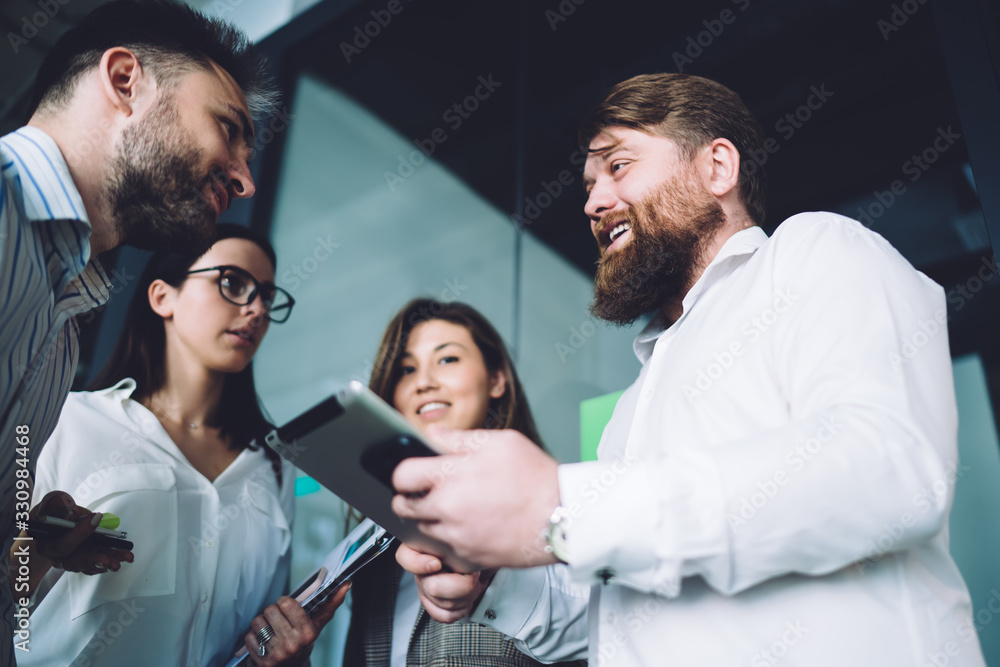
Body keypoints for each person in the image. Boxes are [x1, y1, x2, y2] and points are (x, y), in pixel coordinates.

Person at [388, 74, 988, 666]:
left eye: (618, 166)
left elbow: (887, 473)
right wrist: (491, 578)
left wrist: (564, 502)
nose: (594, 202)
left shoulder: (817, 252)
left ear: (717, 169)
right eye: (589, 185)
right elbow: (621, 616)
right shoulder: (632, 408)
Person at [0, 0, 275, 661]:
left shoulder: (60, 332)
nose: (242, 178)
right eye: (226, 127)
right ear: (125, 79)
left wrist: (31, 553)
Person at [20, 224, 344, 666]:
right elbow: (8, 590)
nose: (255, 309)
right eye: (232, 282)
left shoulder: (274, 468)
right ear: (162, 296)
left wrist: (285, 652)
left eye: (266, 296)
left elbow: (258, 644)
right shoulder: (69, 419)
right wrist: (39, 545)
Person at [343, 299, 587, 667]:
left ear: (496, 380)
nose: (423, 382)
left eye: (447, 359)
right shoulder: (378, 556)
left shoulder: (554, 517)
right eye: (407, 369)